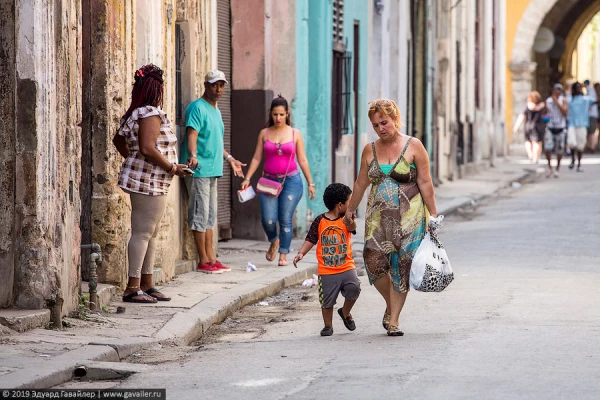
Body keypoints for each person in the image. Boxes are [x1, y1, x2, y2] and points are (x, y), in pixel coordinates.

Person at [343, 99, 437, 337]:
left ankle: (393, 319)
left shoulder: (414, 146)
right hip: (378, 219)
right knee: (373, 263)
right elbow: (361, 183)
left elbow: (425, 182)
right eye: (375, 125)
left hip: (410, 217)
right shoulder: (369, 150)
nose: (380, 128)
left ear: (395, 119)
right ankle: (391, 303)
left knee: (401, 265)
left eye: (384, 122)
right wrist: (350, 209)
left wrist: (433, 215)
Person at [113, 64, 191, 303]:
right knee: (143, 232)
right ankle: (132, 287)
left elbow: (119, 140)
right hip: (149, 181)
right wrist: (172, 168)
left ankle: (146, 284)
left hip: (149, 179)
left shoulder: (136, 112)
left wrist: (133, 160)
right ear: (157, 88)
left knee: (151, 232)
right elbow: (147, 148)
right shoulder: (150, 113)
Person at [181, 70, 246, 274]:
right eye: (214, 85)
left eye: (221, 85)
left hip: (213, 170)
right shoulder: (197, 108)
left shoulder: (216, 110)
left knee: (210, 216)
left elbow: (216, 142)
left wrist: (230, 159)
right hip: (199, 170)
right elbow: (192, 134)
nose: (218, 89)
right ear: (206, 85)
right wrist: (193, 155)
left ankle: (211, 258)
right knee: (200, 215)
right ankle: (203, 260)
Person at [240, 95, 316, 266]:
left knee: (285, 218)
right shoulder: (264, 133)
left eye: (281, 114)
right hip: (268, 181)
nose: (278, 118)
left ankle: (283, 253)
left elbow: (302, 160)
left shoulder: (295, 134)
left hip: (291, 181)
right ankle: (274, 240)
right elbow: (256, 158)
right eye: (275, 114)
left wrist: (310, 183)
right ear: (270, 113)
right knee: (268, 219)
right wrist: (247, 178)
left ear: (287, 113)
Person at [293, 183, 361, 337]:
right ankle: (328, 326)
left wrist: (350, 219)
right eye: (349, 202)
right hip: (327, 270)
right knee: (327, 300)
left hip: (346, 267)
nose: (351, 205)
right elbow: (311, 238)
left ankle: (345, 312)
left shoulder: (346, 219)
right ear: (340, 205)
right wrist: (301, 253)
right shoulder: (320, 221)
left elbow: (352, 229)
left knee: (354, 288)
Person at [567, 82, 596, 172]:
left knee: (580, 145)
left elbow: (595, 101)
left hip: (582, 123)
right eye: (576, 87)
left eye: (579, 87)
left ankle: (579, 164)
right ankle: (572, 159)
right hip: (572, 123)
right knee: (572, 143)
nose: (578, 89)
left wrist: (589, 89)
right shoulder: (569, 99)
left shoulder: (586, 99)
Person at [513, 91, 546, 164]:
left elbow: (522, 116)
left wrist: (517, 125)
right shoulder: (542, 106)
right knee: (537, 143)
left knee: (528, 141)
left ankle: (530, 154)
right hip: (539, 126)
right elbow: (546, 115)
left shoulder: (528, 106)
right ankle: (536, 158)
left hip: (528, 126)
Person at [543, 83, 568, 178]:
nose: (557, 92)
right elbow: (544, 113)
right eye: (555, 90)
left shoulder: (563, 100)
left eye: (559, 90)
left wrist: (557, 102)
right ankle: (550, 167)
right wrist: (545, 119)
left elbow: (565, 113)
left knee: (560, 150)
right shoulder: (548, 101)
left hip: (560, 127)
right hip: (550, 127)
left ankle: (557, 168)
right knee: (547, 148)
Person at [584, 80, 598, 151]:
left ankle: (592, 146)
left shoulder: (590, 91)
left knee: (591, 131)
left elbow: (591, 102)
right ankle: (590, 145)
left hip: (591, 114)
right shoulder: (589, 90)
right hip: (590, 114)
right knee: (590, 131)